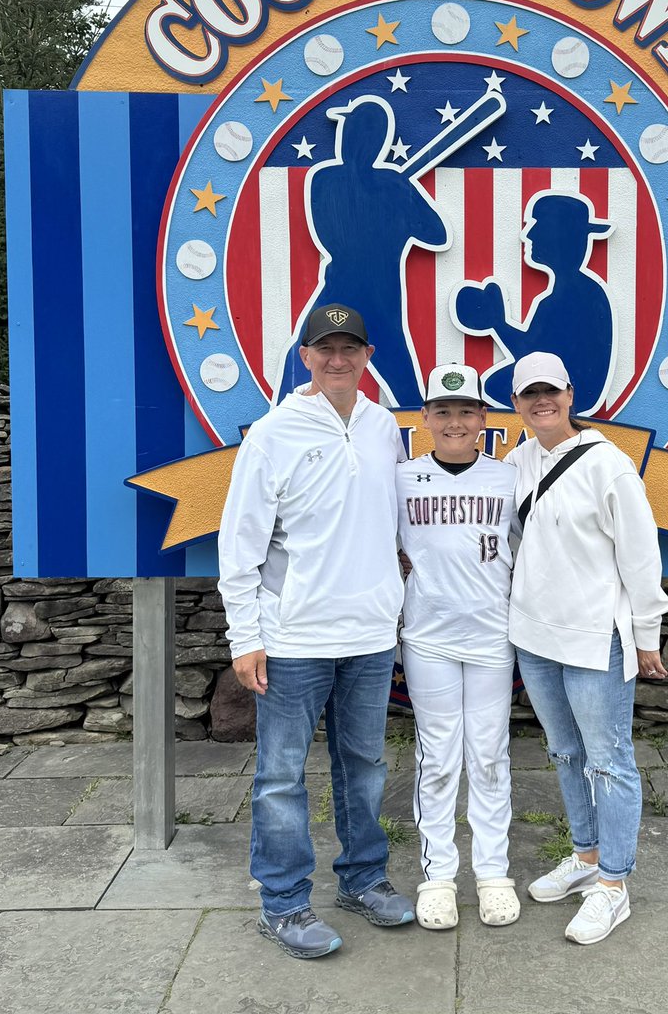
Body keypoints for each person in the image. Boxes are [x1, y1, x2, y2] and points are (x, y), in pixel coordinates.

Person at [218, 303, 415, 961]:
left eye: (349, 348)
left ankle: (362, 880)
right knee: (280, 775)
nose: (338, 359)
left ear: (366, 355)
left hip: (368, 634)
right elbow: (239, 542)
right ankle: (283, 904)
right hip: (295, 637)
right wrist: (245, 636)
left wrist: (395, 604)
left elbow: (389, 524)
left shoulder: (384, 426)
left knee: (363, 764)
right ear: (305, 357)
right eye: (324, 349)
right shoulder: (272, 434)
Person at [506, 351, 668, 946]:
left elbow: (640, 556)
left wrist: (647, 634)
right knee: (564, 752)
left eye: (551, 391)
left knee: (609, 759)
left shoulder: (610, 466)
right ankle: (586, 854)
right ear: (517, 402)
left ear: (571, 394)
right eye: (529, 394)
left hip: (595, 635)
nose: (541, 401)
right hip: (534, 634)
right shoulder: (518, 460)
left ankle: (614, 885)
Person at [396, 364, 520, 931]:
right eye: (442, 411)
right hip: (429, 638)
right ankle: (439, 876)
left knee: (490, 754)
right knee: (439, 757)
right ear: (424, 419)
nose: (454, 421)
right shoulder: (402, 479)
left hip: (493, 635)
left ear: (484, 419)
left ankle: (493, 871)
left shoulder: (508, 478)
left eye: (466, 410)